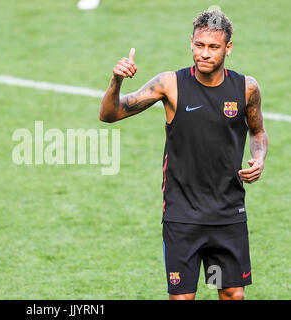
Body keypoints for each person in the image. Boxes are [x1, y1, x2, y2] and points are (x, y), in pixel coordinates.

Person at [99, 9, 269, 300]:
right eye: (199, 45)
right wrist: (116, 81)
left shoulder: (245, 88)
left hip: (228, 212)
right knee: (182, 298)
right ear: (191, 42)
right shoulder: (170, 85)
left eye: (214, 47)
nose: (205, 53)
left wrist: (259, 158)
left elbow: (258, 132)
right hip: (182, 215)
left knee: (232, 294)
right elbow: (109, 114)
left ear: (228, 48)